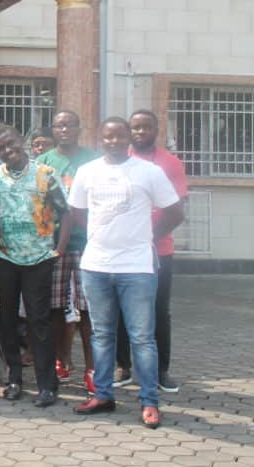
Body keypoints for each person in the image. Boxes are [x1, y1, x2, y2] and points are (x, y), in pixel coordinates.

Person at [69, 117, 184, 430]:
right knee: (102, 335)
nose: (114, 141)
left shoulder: (149, 172)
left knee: (142, 338)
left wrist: (150, 235)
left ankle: (149, 401)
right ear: (100, 139)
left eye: (120, 136)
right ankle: (103, 395)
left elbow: (175, 211)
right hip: (96, 266)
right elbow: (77, 211)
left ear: (128, 139)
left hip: (136, 267)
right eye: (108, 137)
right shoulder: (87, 172)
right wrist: (101, 235)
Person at [0, 128, 68, 408]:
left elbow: (65, 212)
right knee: (6, 320)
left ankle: (47, 384)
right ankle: (13, 379)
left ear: (21, 143)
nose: (8, 149)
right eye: (1, 146)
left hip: (39, 258)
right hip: (4, 257)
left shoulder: (45, 173)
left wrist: (59, 247)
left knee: (39, 321)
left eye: (11, 143)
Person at [115, 109, 189, 394]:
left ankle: (161, 371)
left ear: (156, 130)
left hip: (159, 250)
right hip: (123, 251)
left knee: (158, 311)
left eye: (146, 127)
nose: (140, 132)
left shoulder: (170, 163)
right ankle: (123, 365)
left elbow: (178, 209)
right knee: (121, 309)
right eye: (135, 128)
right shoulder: (119, 161)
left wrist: (150, 238)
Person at [37, 109, 100, 385]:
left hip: (87, 244)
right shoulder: (42, 162)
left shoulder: (94, 161)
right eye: (59, 125)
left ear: (78, 128)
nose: (64, 130)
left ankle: (92, 368)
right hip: (53, 244)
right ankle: (61, 360)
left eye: (70, 125)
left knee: (88, 310)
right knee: (55, 307)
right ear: (53, 130)